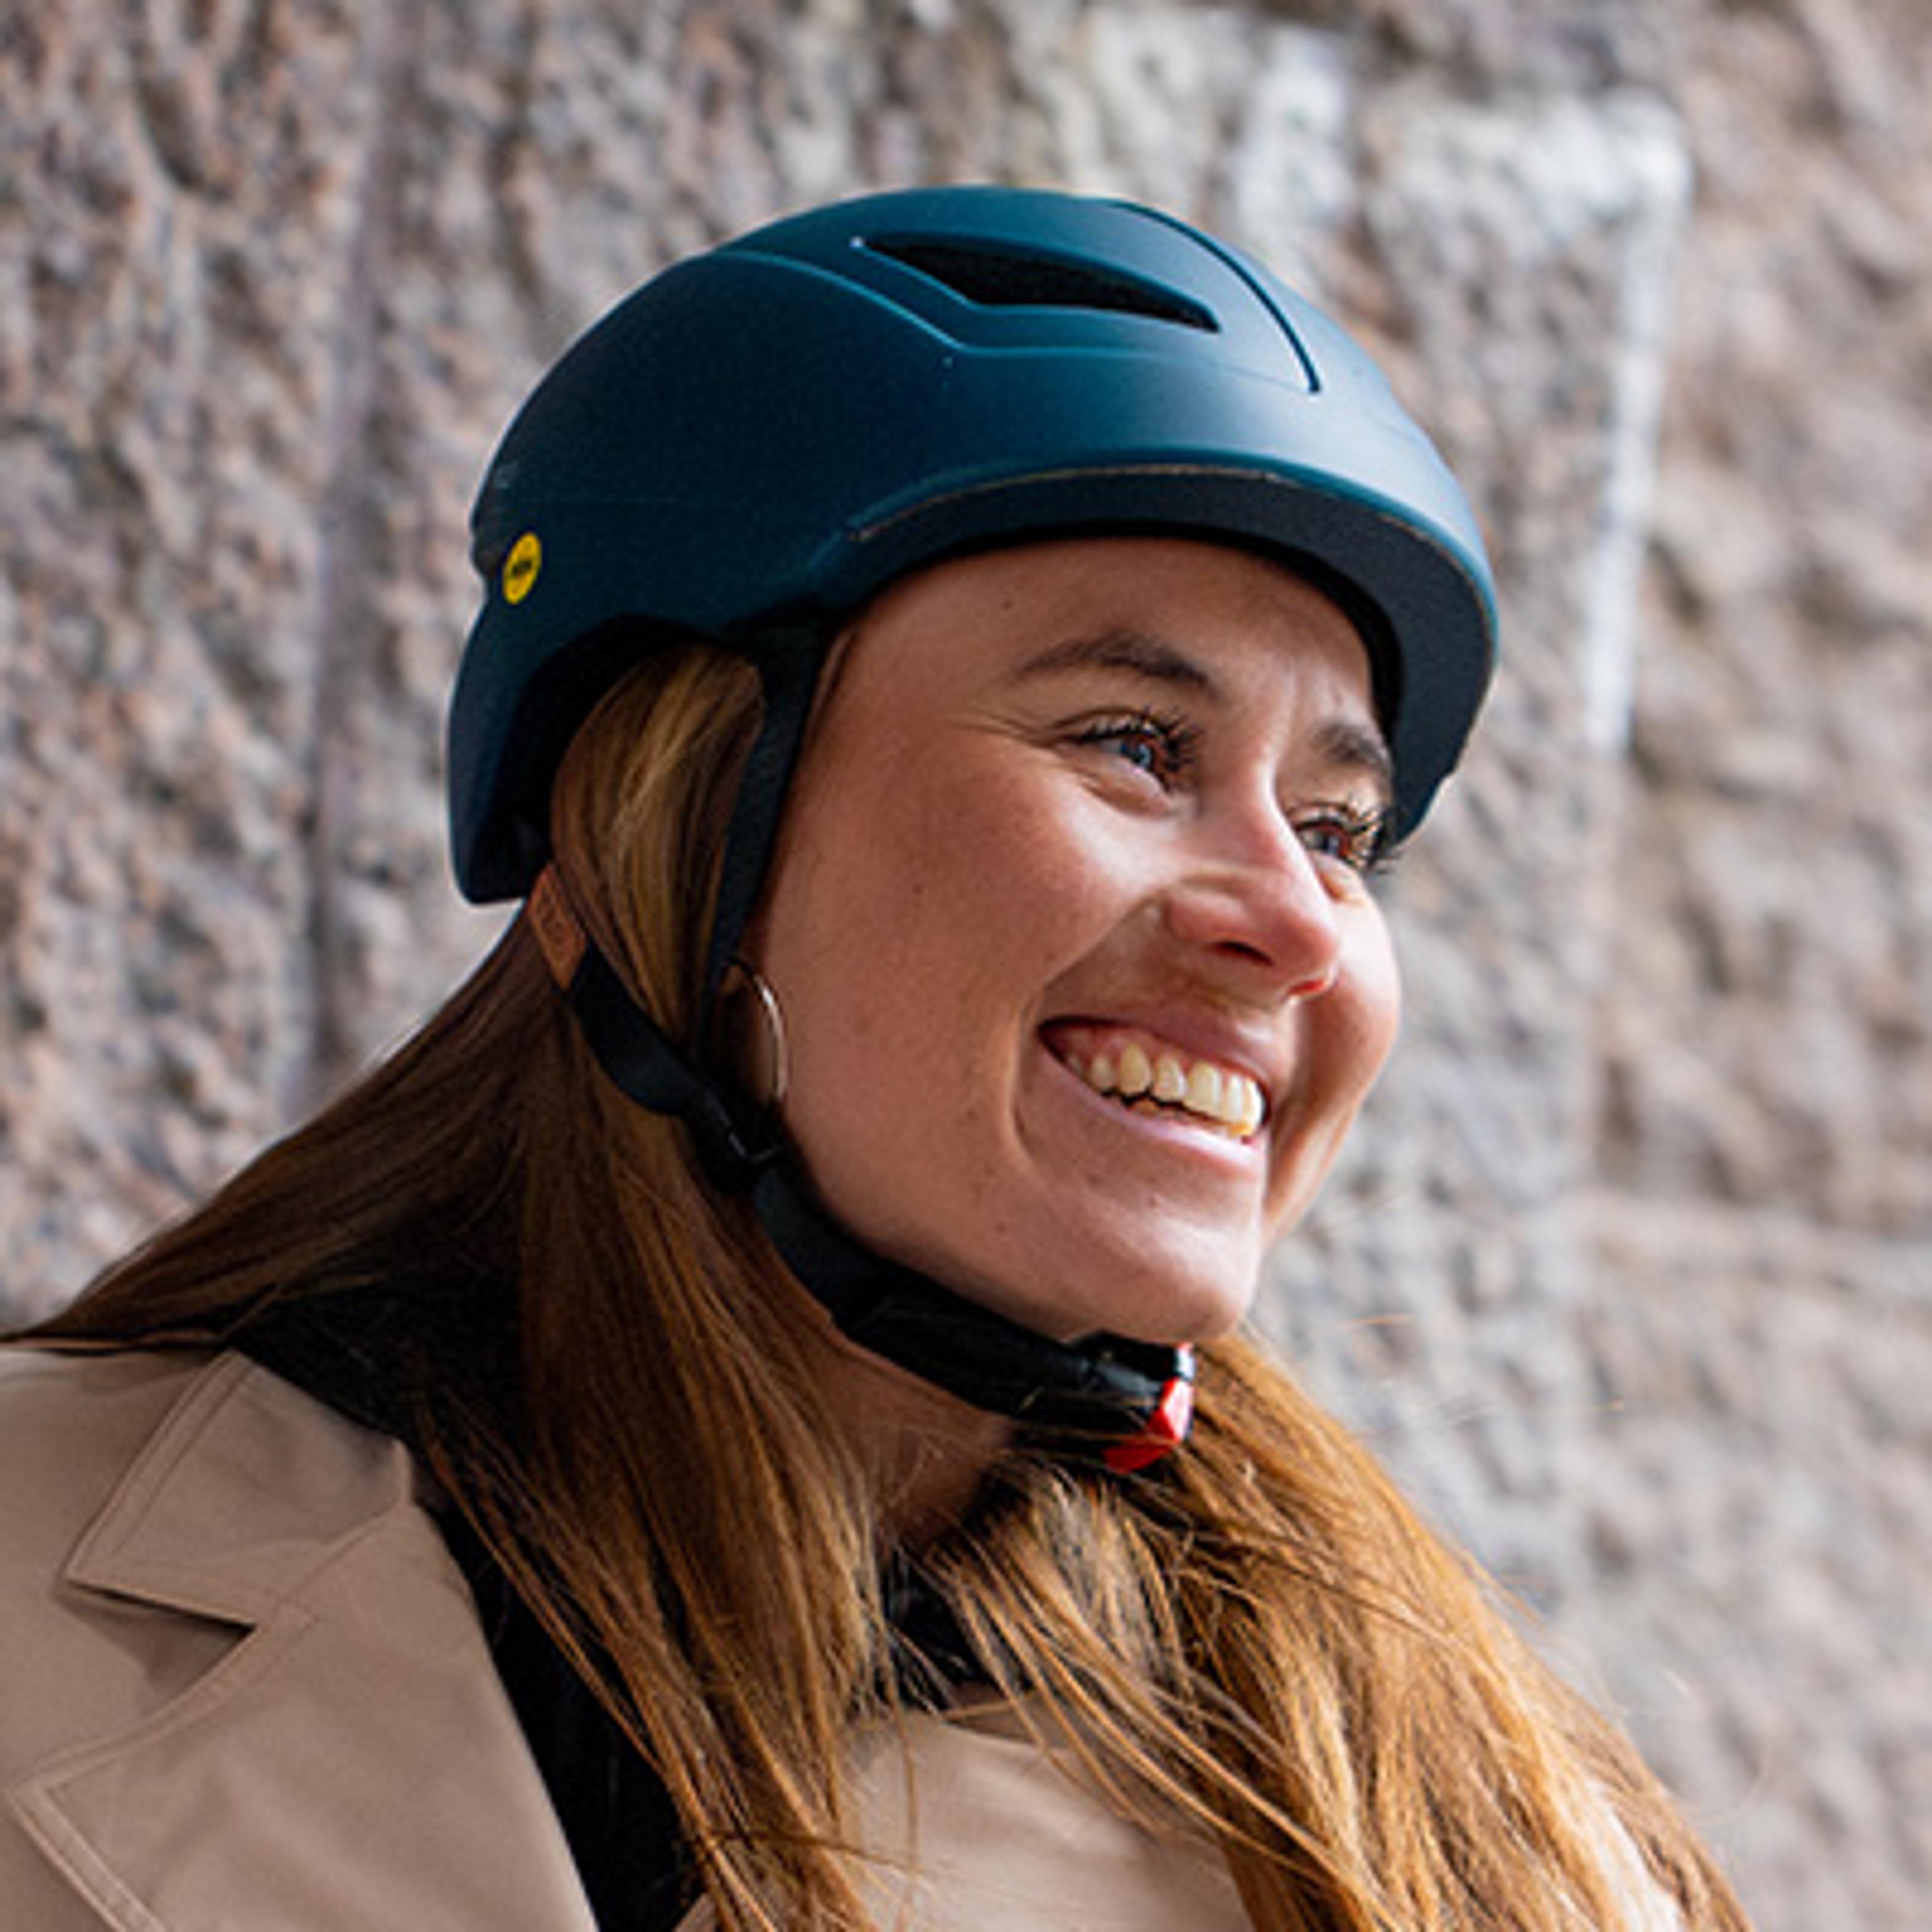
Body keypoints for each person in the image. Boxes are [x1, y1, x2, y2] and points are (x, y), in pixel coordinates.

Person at [1, 187, 1748, 1929]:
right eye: (1135, 744)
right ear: (657, 838)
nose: (1297, 924)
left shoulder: (1485, 1854)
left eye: (1341, 829)